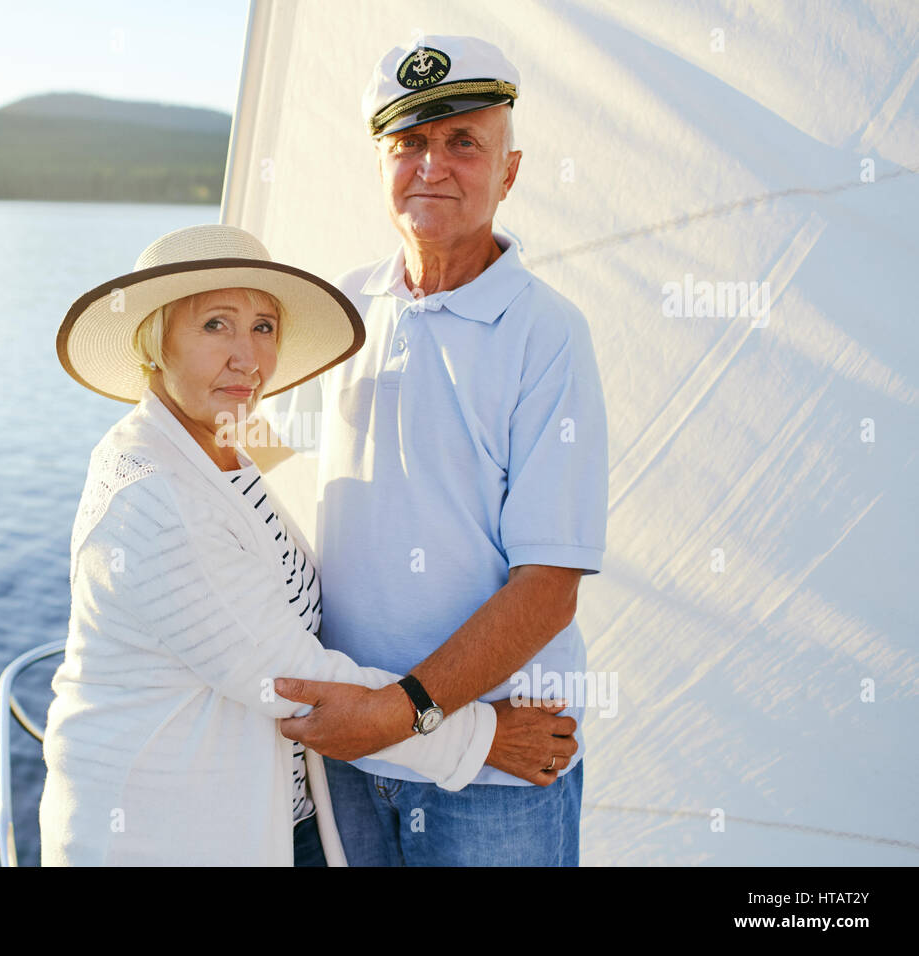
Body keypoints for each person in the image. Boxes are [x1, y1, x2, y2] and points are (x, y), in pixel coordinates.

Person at [39, 222, 569, 866]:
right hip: (162, 837)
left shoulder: (219, 449)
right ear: (155, 343)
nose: (248, 356)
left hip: (275, 817)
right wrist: (483, 737)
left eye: (263, 326)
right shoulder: (154, 497)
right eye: (215, 325)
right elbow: (296, 685)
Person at [254, 35, 608, 866]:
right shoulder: (343, 305)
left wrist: (396, 713)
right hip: (348, 754)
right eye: (409, 142)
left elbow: (550, 587)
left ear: (510, 171)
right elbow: (247, 452)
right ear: (381, 163)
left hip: (494, 768)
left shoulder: (549, 334)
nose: (431, 166)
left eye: (462, 143)